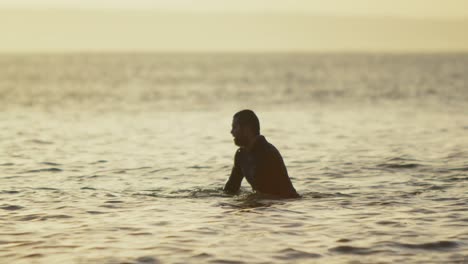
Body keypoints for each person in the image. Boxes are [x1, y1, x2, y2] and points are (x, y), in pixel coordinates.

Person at [224, 109, 299, 198]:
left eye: (235, 127)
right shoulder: (241, 154)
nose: (232, 132)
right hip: (264, 205)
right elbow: (231, 188)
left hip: (282, 204)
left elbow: (270, 193)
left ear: (247, 128)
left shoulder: (267, 153)